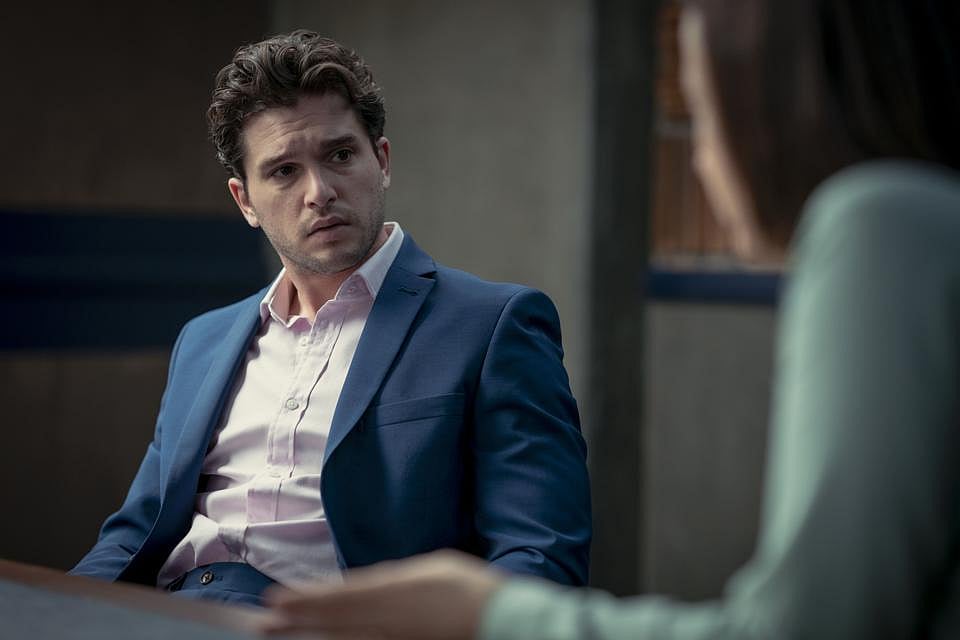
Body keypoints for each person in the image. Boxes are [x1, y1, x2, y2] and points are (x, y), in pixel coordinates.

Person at [261, 0, 960, 637]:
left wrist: (483, 613)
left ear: (773, 103)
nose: (703, 158)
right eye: (282, 171)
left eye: (699, 107)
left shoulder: (879, 225)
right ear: (244, 199)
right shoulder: (919, 223)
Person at [69, 31, 591, 606]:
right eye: (284, 171)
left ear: (381, 161)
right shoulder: (204, 339)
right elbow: (133, 535)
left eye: (340, 156)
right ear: (245, 201)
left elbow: (540, 556)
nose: (319, 192)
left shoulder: (492, 325)